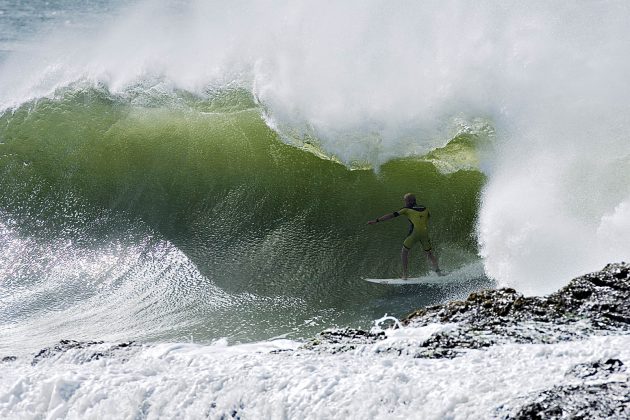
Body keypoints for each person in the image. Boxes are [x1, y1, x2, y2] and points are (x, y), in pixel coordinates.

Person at [367, 193, 441, 279]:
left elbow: (391, 215)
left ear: (409, 201)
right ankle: (439, 273)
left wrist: (376, 220)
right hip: (425, 233)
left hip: (414, 233)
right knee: (429, 253)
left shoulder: (406, 209)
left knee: (404, 252)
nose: (405, 202)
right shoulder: (425, 208)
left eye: (405, 201)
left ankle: (405, 275)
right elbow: (427, 218)